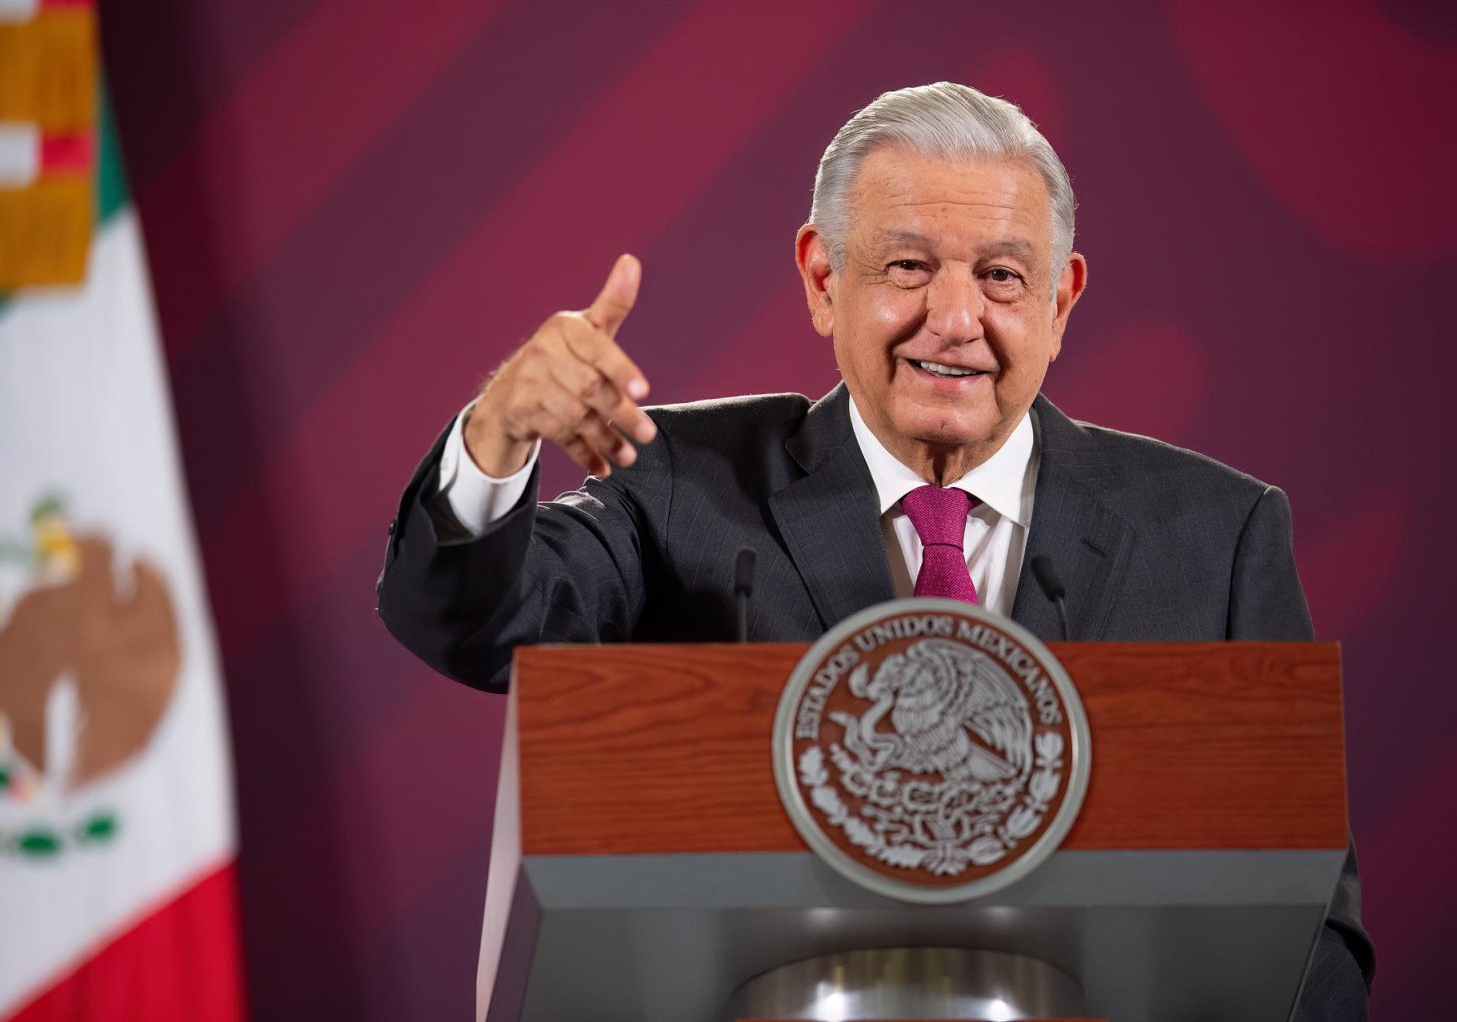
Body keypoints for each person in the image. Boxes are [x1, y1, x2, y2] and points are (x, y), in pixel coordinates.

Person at [376, 82, 1372, 1020]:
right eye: (907, 266)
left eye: (1000, 276)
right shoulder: (685, 484)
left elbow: (1312, 932)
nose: (954, 318)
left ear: (1060, 301)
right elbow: (480, 623)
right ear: (821, 278)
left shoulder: (1216, 535)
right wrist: (497, 434)